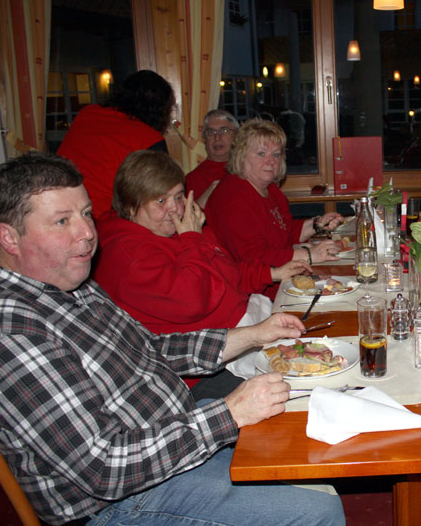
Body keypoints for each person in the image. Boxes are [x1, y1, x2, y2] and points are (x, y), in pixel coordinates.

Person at [0, 152, 345, 526]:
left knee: (303, 443)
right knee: (319, 510)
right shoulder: (11, 334)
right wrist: (230, 414)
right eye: (62, 221)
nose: (86, 232)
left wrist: (252, 335)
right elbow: (103, 467)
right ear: (9, 237)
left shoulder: (67, 284)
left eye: (86, 214)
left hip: (166, 442)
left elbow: (150, 348)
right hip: (120, 502)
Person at [94, 150, 311, 381]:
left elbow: (226, 271)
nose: (175, 209)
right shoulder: (129, 255)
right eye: (160, 200)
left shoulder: (167, 231)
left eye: (178, 197)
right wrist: (191, 239)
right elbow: (193, 300)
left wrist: (273, 273)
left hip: (247, 328)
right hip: (207, 370)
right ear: (130, 206)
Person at [205, 118, 343, 298]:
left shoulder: (270, 189)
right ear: (241, 155)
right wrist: (309, 255)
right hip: (251, 296)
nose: (271, 161)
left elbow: (285, 231)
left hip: (281, 285)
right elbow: (254, 258)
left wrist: (317, 224)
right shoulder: (232, 198)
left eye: (276, 154)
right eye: (261, 154)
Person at [58, 70, 173, 218]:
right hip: (101, 218)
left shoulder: (87, 113)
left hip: (60, 208)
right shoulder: (149, 138)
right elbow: (160, 196)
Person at [185, 109, 239, 207]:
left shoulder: (248, 170)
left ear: (236, 136)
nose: (217, 137)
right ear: (204, 139)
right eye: (211, 132)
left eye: (224, 130)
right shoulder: (192, 180)